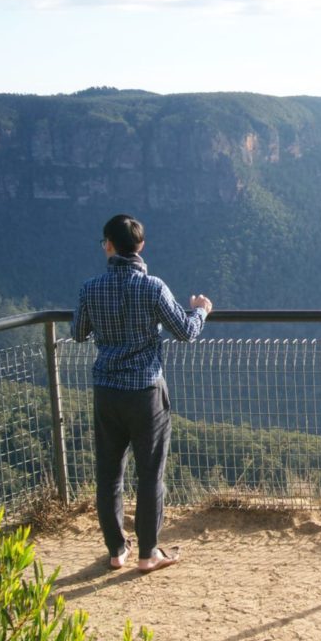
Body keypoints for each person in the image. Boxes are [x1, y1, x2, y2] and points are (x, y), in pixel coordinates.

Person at [71, 214, 213, 573]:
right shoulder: (153, 287)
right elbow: (184, 332)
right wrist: (200, 312)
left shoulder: (90, 288)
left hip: (107, 390)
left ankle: (116, 551)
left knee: (108, 473)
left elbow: (78, 333)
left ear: (108, 245)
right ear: (141, 246)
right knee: (150, 473)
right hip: (146, 391)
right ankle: (148, 553)